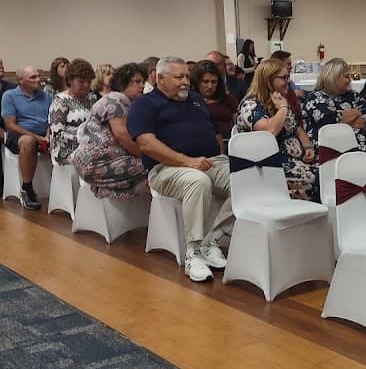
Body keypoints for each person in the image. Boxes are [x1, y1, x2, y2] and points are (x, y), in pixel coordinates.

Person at [127, 56, 233, 283]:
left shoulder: (195, 100)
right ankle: (193, 252)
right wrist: (188, 162)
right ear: (160, 78)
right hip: (165, 169)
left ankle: (211, 239)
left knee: (243, 179)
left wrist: (217, 156)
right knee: (198, 181)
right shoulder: (144, 105)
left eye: (187, 76)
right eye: (179, 77)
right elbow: (146, 144)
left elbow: (215, 132)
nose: (186, 81)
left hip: (208, 161)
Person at [303, 57, 366, 187]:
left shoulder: (354, 95)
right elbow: (326, 120)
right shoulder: (316, 97)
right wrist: (356, 113)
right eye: (346, 77)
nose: (350, 80)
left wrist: (340, 117)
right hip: (336, 149)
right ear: (333, 78)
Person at [236, 58, 317, 200]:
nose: (288, 81)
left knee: (328, 170)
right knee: (316, 179)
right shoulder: (251, 105)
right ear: (268, 80)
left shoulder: (278, 99)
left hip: (295, 159)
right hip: (268, 165)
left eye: (288, 77)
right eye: (284, 78)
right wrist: (283, 108)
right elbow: (270, 131)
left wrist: (307, 147)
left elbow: (296, 129)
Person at [72, 62, 149, 200]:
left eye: (143, 82)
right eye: (137, 82)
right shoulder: (114, 101)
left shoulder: (127, 102)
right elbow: (122, 136)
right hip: (95, 161)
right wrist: (148, 156)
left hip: (105, 158)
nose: (142, 85)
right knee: (154, 167)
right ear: (123, 83)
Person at [1, 65, 52, 209]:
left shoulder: (47, 96)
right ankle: (27, 188)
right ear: (21, 80)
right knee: (28, 141)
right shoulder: (10, 96)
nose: (38, 79)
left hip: (43, 135)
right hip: (19, 136)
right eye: (33, 77)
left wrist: (48, 135)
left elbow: (51, 120)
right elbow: (10, 125)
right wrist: (35, 137)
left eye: (38, 76)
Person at [48, 58, 96, 166]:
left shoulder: (92, 99)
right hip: (66, 150)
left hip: (89, 147)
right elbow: (57, 133)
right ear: (70, 80)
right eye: (81, 82)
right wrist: (85, 140)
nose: (86, 85)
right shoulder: (61, 101)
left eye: (89, 82)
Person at [190, 60, 237, 142]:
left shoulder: (226, 97)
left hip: (231, 140)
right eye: (205, 82)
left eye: (214, 82)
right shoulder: (190, 100)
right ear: (197, 82)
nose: (210, 86)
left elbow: (237, 117)